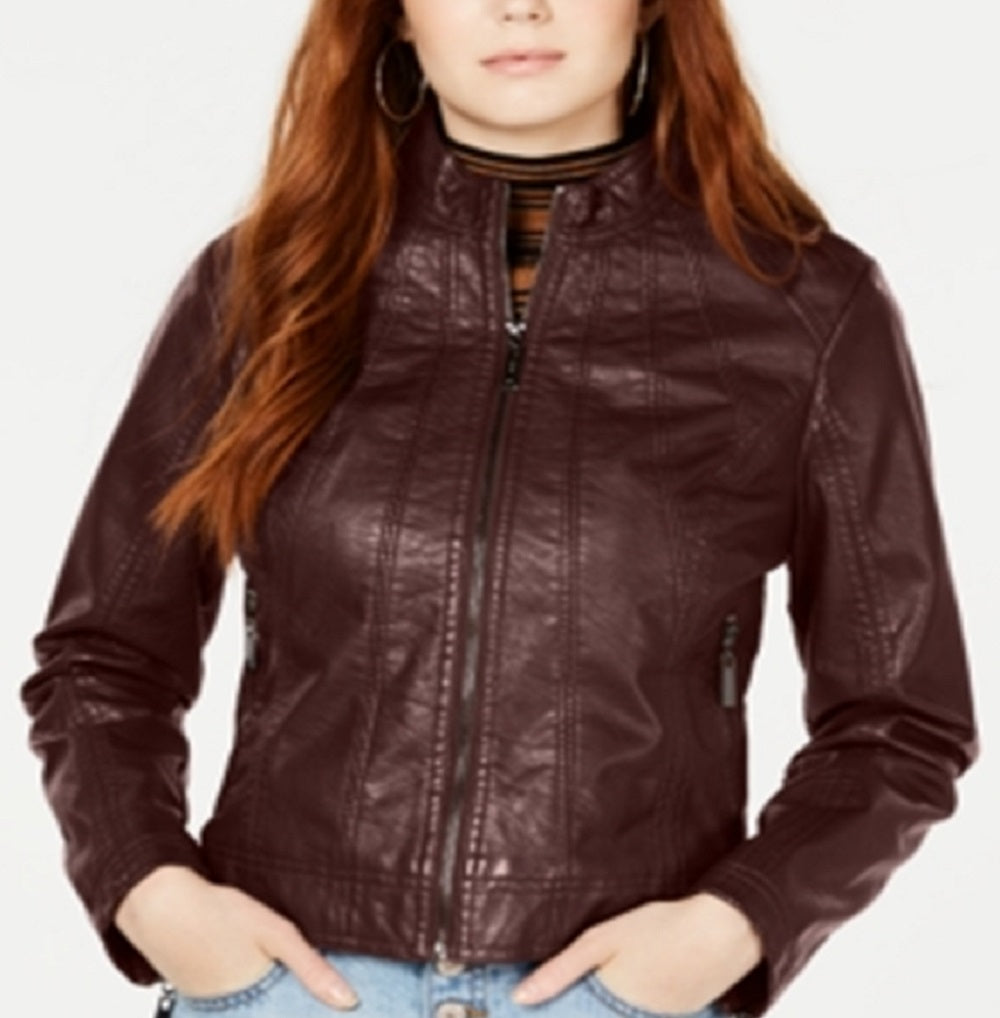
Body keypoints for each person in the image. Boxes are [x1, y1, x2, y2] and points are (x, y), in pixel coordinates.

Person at [19, 1, 980, 1017]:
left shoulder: (803, 305)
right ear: (395, 17)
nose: (519, 5)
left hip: (614, 999)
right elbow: (103, 656)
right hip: (292, 989)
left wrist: (733, 925)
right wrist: (150, 889)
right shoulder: (265, 286)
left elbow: (899, 722)